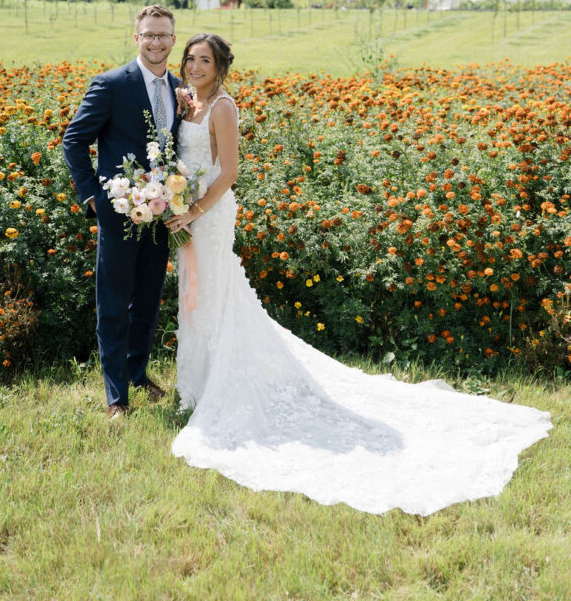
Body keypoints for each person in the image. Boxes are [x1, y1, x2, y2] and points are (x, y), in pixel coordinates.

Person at [165, 33, 552, 516]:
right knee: (195, 296)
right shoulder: (186, 103)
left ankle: (216, 386)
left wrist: (195, 209)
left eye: (205, 60)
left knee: (216, 294)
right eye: (191, 59)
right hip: (185, 212)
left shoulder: (222, 106)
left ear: (221, 67)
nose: (195, 66)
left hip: (210, 213)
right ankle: (196, 387)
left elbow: (228, 171)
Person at [63, 4, 180, 418]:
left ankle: (137, 373)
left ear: (173, 39)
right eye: (148, 34)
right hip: (119, 214)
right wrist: (93, 197)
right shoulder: (111, 84)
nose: (155, 42)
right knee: (112, 305)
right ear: (136, 38)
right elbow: (73, 140)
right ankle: (116, 398)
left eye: (162, 35)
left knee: (148, 302)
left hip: (163, 216)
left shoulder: (180, 88)